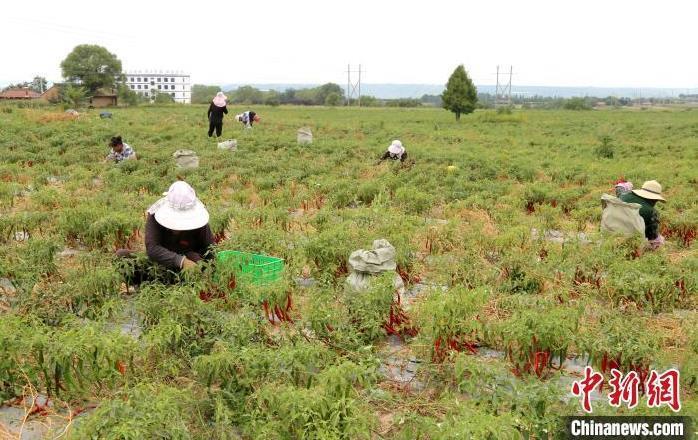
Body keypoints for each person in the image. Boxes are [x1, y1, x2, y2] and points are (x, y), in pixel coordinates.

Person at [116, 181, 214, 285]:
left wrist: (204, 270)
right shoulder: (155, 215)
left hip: (188, 269)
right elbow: (152, 249)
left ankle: (181, 287)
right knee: (122, 256)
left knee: (197, 263)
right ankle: (151, 287)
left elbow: (210, 250)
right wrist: (182, 261)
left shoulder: (199, 220)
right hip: (160, 262)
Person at [620, 180, 666, 248]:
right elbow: (652, 237)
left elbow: (619, 190)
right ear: (654, 199)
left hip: (610, 231)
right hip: (630, 241)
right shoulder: (651, 212)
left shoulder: (623, 196)